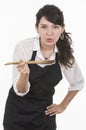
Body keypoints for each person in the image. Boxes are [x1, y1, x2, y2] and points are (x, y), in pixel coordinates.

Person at [3, 4, 84, 130]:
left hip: (44, 115)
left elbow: (78, 83)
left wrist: (63, 106)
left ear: (62, 28)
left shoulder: (65, 54)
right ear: (37, 28)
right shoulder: (24, 47)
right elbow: (21, 91)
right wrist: (24, 75)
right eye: (44, 27)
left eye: (55, 27)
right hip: (17, 114)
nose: (49, 33)